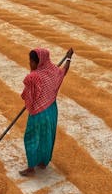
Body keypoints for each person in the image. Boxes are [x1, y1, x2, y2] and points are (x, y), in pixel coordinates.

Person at [19, 47, 73, 176]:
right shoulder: (53, 71)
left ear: (38, 62)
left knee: (31, 137)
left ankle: (31, 168)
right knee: (46, 137)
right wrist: (69, 57)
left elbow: (28, 96)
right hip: (51, 111)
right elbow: (64, 71)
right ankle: (43, 162)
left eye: (31, 61)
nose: (30, 64)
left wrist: (26, 98)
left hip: (38, 114)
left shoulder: (32, 77)